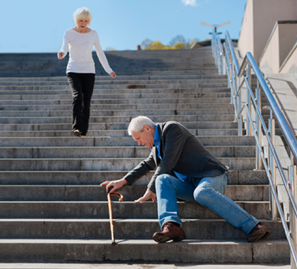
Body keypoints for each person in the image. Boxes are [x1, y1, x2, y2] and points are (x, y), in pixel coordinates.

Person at [101, 116, 271, 243]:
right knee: (163, 181)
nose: (138, 143)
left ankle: (254, 226)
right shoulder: (157, 147)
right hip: (191, 185)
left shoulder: (172, 129)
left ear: (147, 128)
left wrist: (150, 189)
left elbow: (167, 163)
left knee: (201, 192)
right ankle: (172, 226)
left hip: (212, 176)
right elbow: (146, 165)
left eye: (138, 138)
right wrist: (122, 181)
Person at [57, 7, 116, 137]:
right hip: (73, 69)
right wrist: (62, 53)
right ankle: (76, 127)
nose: (83, 23)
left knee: (86, 101)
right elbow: (64, 46)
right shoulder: (68, 32)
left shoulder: (93, 34)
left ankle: (84, 130)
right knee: (78, 96)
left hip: (89, 71)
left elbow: (100, 53)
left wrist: (109, 70)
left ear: (88, 21)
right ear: (76, 20)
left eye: (85, 20)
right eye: (80, 20)